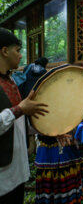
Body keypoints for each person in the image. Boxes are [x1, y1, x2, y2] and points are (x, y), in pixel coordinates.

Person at [0, 28, 48, 204]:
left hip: (17, 168)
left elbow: (21, 119)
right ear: (5, 51)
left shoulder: (10, 80)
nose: (21, 56)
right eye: (17, 50)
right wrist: (19, 109)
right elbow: (19, 111)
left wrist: (51, 132)